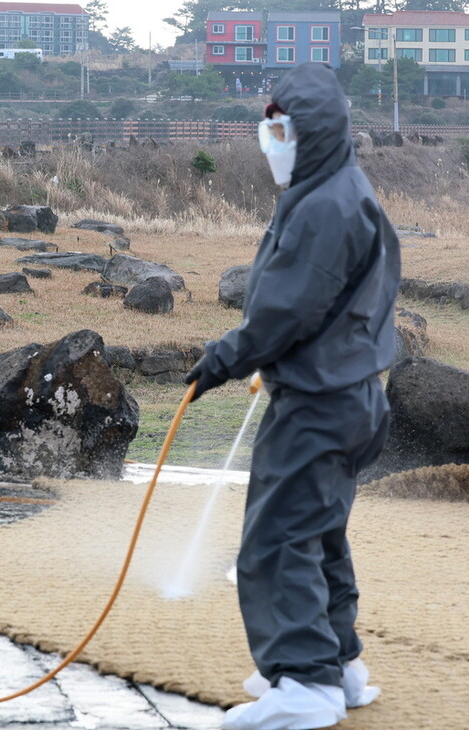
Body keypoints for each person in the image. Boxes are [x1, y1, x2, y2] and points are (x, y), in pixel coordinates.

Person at [185, 62, 400, 730]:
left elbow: (285, 312)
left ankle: (305, 684)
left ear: (312, 131)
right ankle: (337, 665)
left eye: (280, 129)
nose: (271, 140)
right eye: (267, 128)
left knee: (277, 541)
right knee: (318, 534)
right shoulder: (341, 189)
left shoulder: (325, 207)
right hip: (350, 393)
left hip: (319, 404)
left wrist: (224, 358)